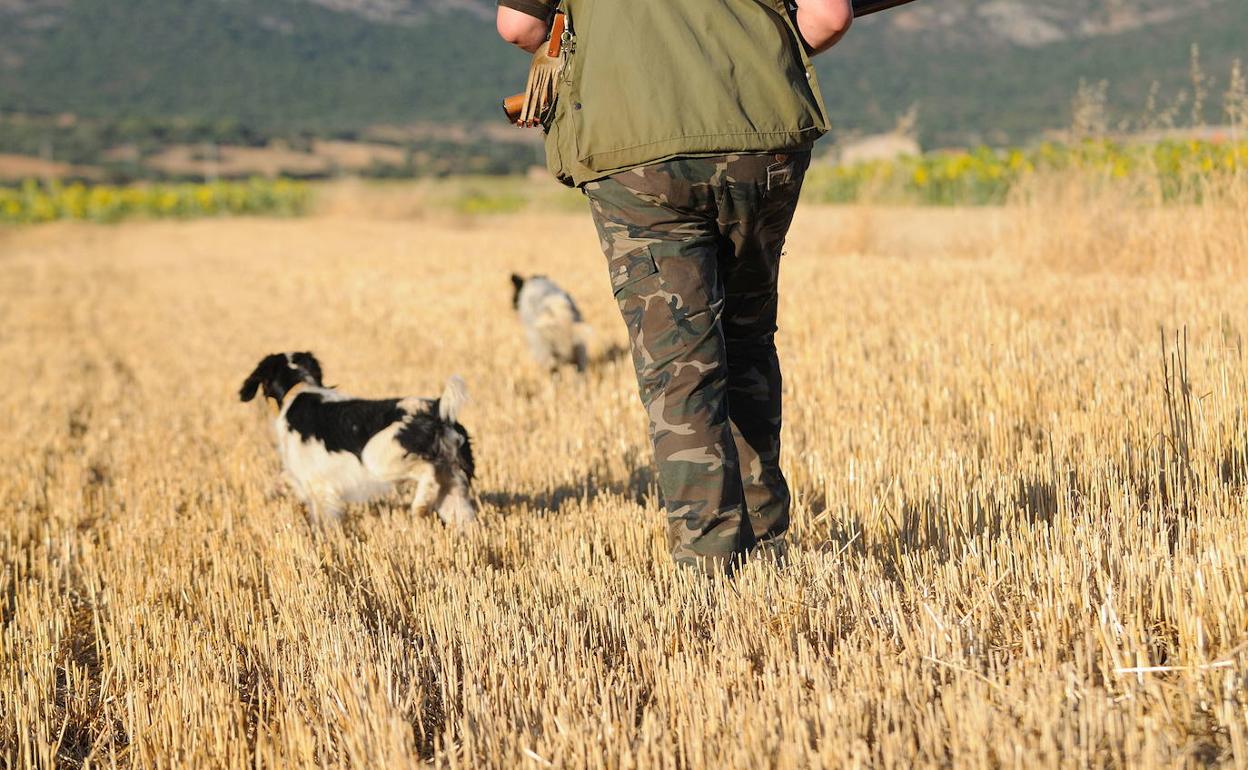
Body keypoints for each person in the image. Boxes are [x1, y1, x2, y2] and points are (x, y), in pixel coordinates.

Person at [496, 0, 852, 575]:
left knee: (681, 364)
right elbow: (829, 16)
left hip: (636, 152)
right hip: (762, 138)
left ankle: (713, 568)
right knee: (747, 340)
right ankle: (767, 543)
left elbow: (518, 26)